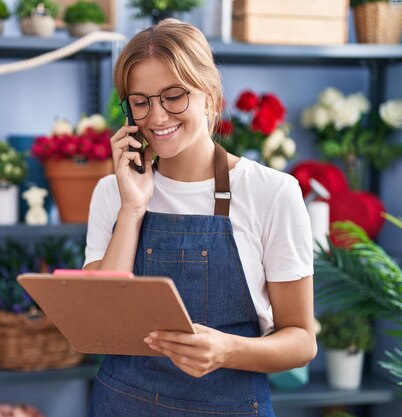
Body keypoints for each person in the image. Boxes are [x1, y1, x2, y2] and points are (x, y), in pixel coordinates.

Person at [83, 19, 317, 416]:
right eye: (140, 101)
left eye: (174, 96)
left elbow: (301, 341)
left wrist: (227, 350)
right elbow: (100, 322)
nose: (156, 117)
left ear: (208, 96)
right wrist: (133, 208)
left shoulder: (272, 192)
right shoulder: (113, 193)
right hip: (122, 404)